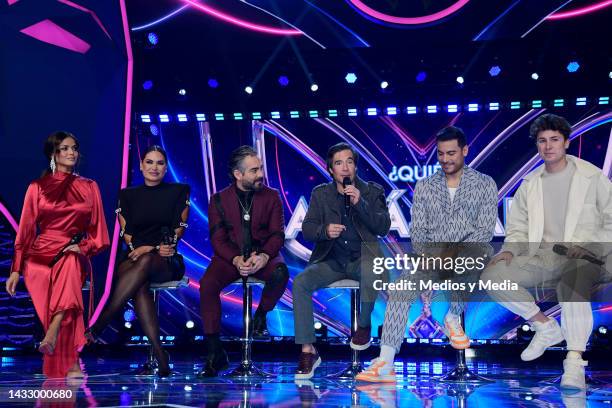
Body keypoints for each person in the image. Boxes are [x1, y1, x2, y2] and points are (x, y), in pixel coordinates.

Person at [356, 126, 498, 382]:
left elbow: (484, 230)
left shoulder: (485, 183)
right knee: (400, 289)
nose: (445, 159)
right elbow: (418, 230)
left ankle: (453, 317)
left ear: (465, 151)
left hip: (471, 254)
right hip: (432, 258)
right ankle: (385, 360)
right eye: (441, 154)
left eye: (451, 153)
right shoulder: (425, 186)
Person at [482, 114, 611, 391]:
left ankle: (574, 361)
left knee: (572, 279)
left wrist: (590, 245)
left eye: (554, 140)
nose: (548, 146)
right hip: (544, 257)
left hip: (587, 257)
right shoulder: (530, 183)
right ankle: (544, 325)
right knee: (492, 276)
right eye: (542, 141)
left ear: (566, 142)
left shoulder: (591, 177)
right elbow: (518, 228)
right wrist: (509, 251)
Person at [5, 131, 109, 378]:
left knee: (70, 263)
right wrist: (16, 269)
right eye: (64, 148)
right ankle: (71, 361)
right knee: (66, 278)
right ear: (53, 154)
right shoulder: (37, 187)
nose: (71, 152)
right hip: (40, 255)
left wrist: (83, 247)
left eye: (74, 148)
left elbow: (100, 236)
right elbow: (26, 232)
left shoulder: (89, 186)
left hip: (72, 250)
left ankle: (52, 330)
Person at [86, 145, 190, 378]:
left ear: (165, 168)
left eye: (160, 163)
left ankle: (101, 323)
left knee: (144, 264)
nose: (154, 167)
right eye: (150, 162)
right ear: (141, 166)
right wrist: (141, 249)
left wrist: (152, 248)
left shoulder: (180, 191)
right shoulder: (127, 195)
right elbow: (126, 233)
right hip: (134, 256)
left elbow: (180, 228)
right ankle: (160, 353)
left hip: (165, 257)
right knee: (139, 282)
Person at [293, 142, 391, 380]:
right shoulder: (320, 194)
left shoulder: (372, 191)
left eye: (349, 162)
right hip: (332, 260)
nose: (345, 168)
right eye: (339, 163)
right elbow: (307, 229)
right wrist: (325, 230)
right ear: (331, 170)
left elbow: (383, 227)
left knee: (372, 269)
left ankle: (364, 325)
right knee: (300, 283)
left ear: (355, 167)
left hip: (363, 258)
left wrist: (361, 203)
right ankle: (308, 350)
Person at [198, 146, 289, 377]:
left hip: (262, 255)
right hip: (230, 258)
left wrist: (265, 256)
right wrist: (236, 258)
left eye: (260, 169)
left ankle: (261, 317)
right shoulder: (218, 199)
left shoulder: (272, 196)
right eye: (254, 170)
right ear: (238, 175)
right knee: (208, 284)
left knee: (280, 273)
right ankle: (214, 352)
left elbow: (278, 234)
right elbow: (217, 239)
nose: (260, 174)